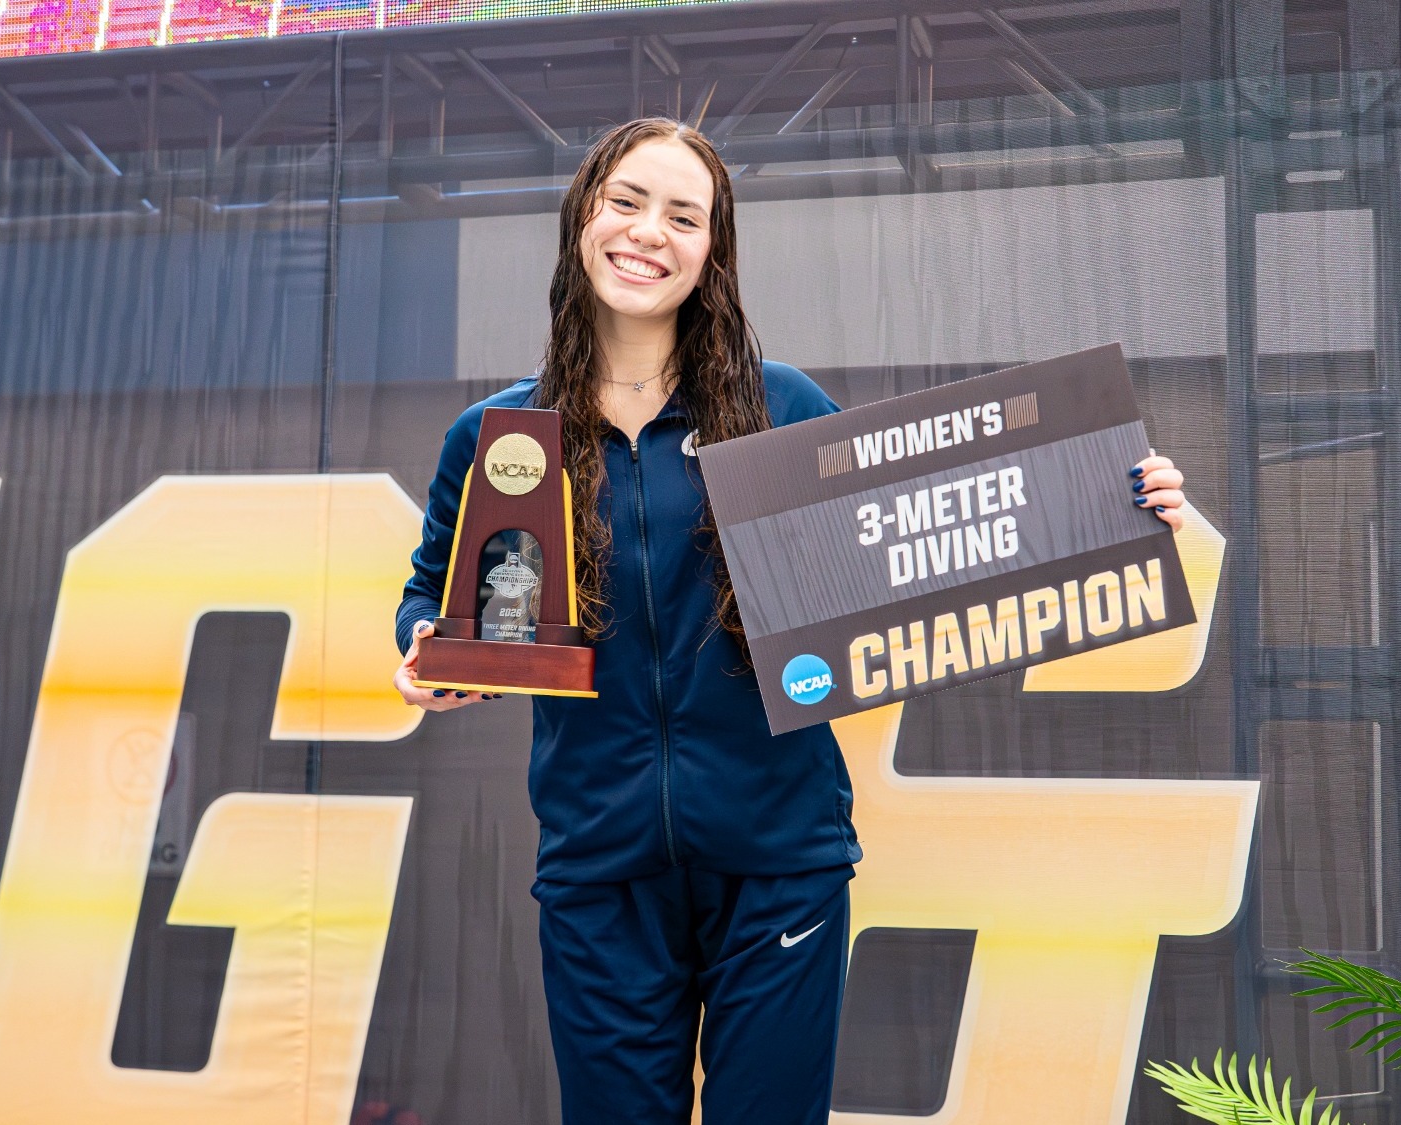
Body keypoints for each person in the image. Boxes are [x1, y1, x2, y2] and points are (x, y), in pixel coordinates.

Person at [390, 117, 1189, 1125]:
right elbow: (431, 594)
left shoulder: (777, 409)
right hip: (598, 867)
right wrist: (421, 649)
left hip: (777, 860)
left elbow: (927, 539)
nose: (649, 232)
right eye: (627, 201)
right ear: (583, 216)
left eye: (684, 217)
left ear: (711, 255)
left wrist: (1113, 498)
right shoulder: (501, 436)